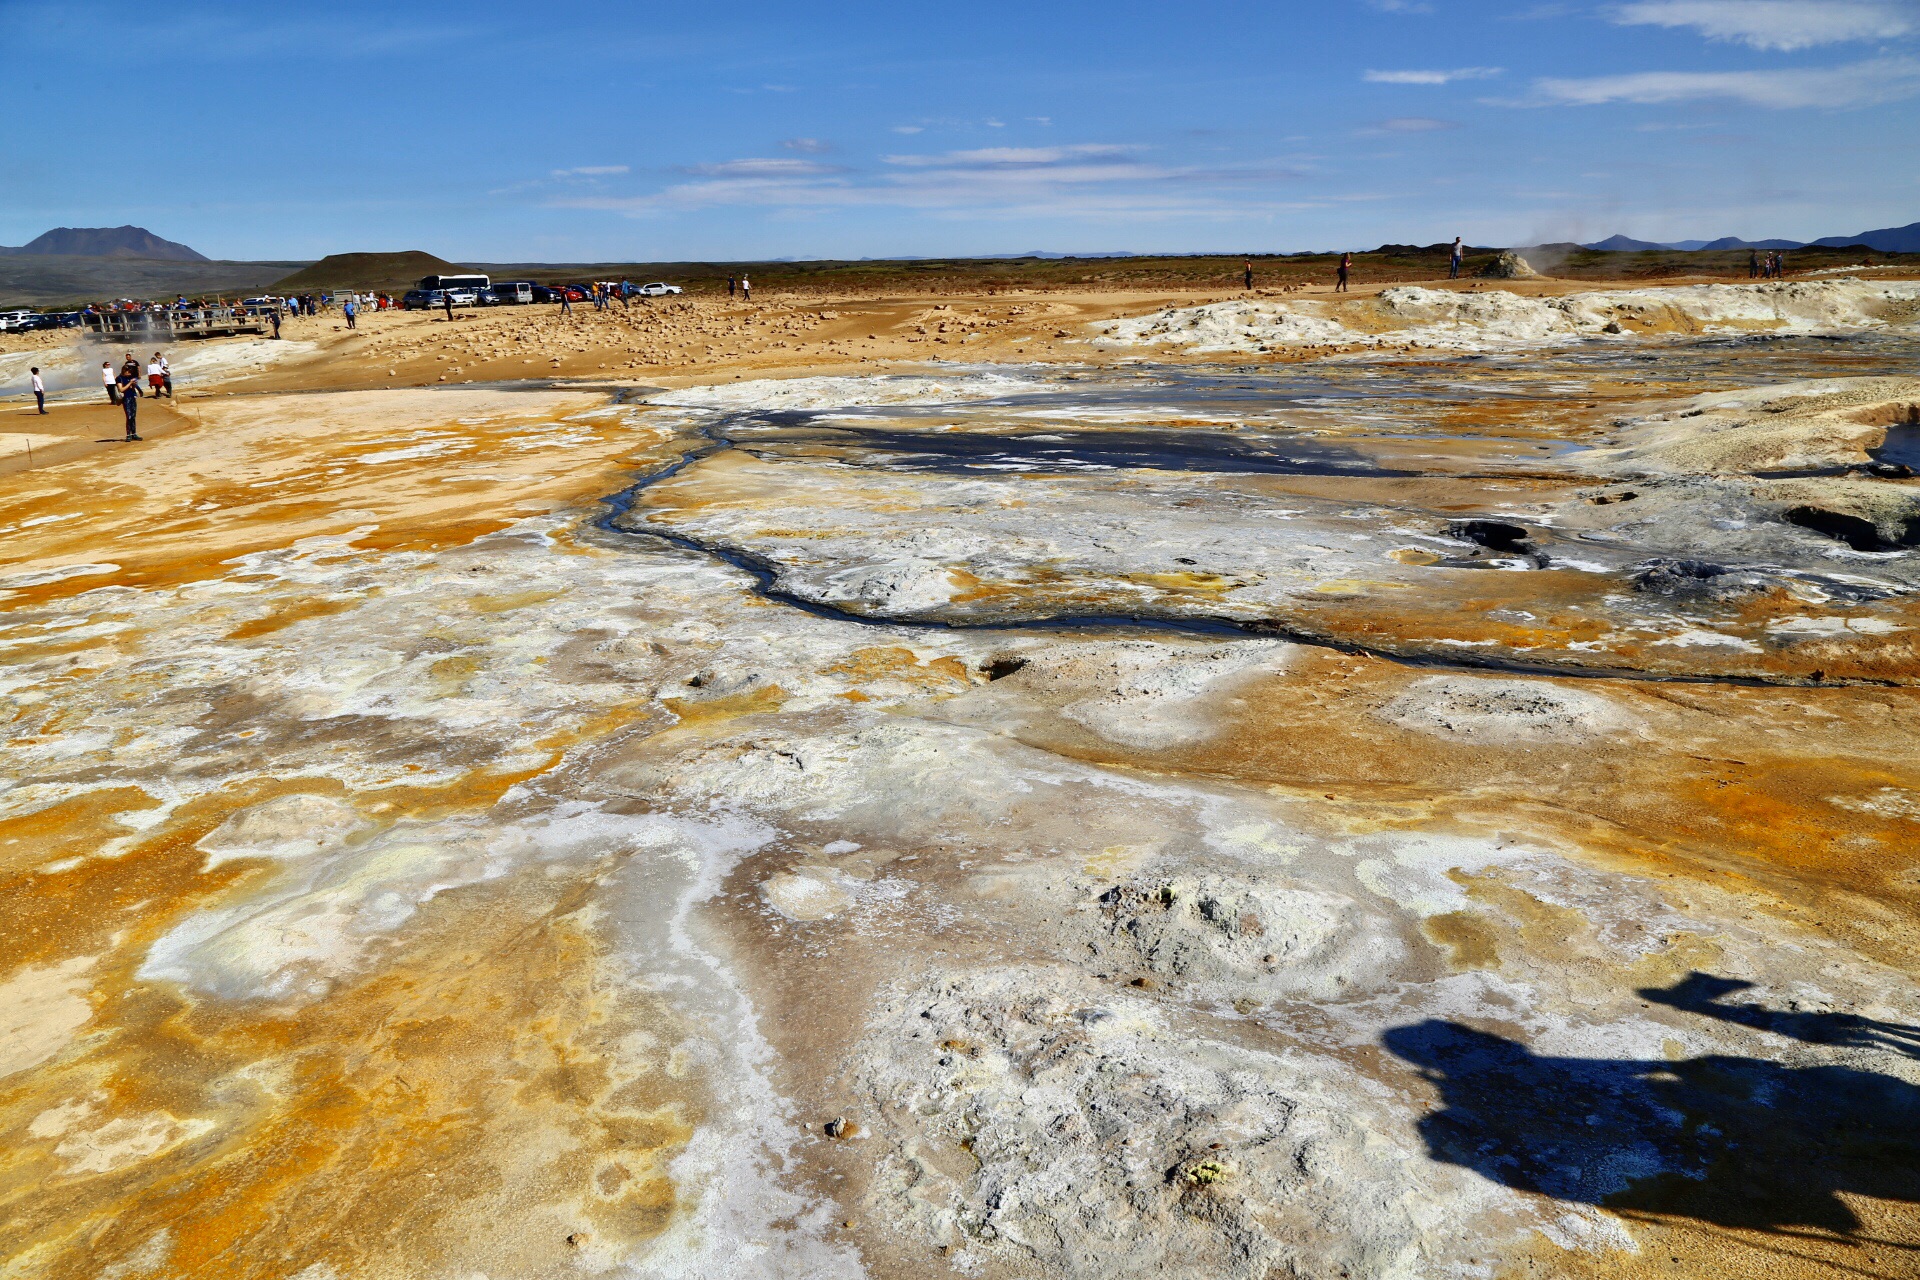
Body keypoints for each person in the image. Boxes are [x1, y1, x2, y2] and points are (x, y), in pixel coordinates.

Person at [115, 362, 142, 440]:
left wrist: (133, 385)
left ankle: (134, 434)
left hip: (132, 397)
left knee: (133, 416)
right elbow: (121, 389)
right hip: (126, 398)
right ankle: (128, 435)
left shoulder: (130, 377)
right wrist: (130, 383)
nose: (130, 373)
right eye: (128, 371)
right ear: (124, 371)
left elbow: (132, 388)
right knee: (129, 416)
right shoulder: (119, 378)